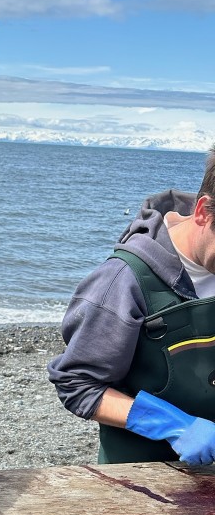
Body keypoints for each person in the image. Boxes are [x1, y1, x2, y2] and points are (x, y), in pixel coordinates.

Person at [48, 143, 215, 466]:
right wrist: (172, 425)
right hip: (142, 476)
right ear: (203, 212)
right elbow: (76, 383)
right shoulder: (122, 282)